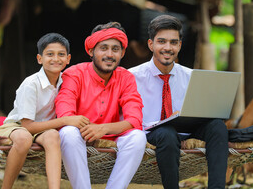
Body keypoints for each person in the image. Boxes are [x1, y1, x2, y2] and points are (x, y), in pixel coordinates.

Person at [129, 15, 229, 189]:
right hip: (152, 133)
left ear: (180, 46)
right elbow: (129, 120)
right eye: (161, 41)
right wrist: (164, 122)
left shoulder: (192, 76)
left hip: (186, 131)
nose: (168, 48)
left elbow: (202, 112)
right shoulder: (132, 77)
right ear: (151, 44)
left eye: (173, 42)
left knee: (218, 126)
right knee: (167, 132)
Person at [0, 33, 89, 189]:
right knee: (24, 138)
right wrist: (65, 121)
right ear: (39, 59)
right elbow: (27, 126)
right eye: (50, 54)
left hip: (45, 128)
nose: (56, 59)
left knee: (53, 136)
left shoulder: (68, 81)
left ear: (68, 59)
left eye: (61, 54)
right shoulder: (31, 84)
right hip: (18, 126)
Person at [55, 22, 147, 189]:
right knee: (68, 132)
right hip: (77, 138)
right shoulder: (74, 74)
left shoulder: (126, 78)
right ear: (91, 51)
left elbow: (134, 120)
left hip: (111, 137)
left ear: (123, 53)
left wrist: (103, 129)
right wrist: (89, 128)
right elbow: (64, 115)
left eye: (115, 49)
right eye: (103, 48)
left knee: (138, 137)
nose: (109, 54)